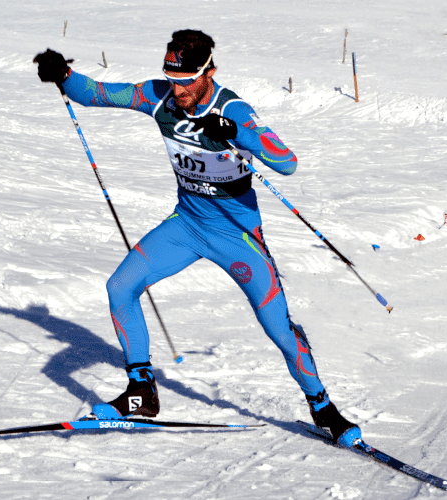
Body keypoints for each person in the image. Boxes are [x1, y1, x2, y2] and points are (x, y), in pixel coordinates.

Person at [33, 30, 361, 446]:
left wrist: (232, 130)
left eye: (188, 79)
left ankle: (323, 410)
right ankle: (141, 394)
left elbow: (287, 162)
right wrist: (63, 74)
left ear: (209, 72)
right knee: (120, 287)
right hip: (187, 225)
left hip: (237, 235)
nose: (179, 88)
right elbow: (97, 94)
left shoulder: (233, 108)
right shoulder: (160, 98)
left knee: (278, 328)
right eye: (173, 77)